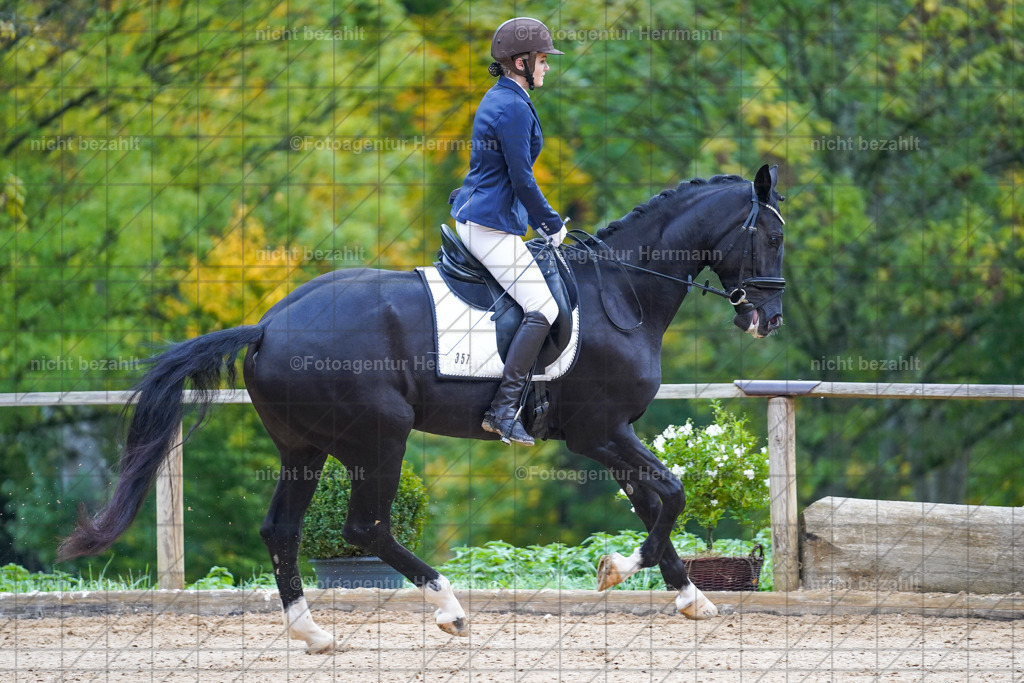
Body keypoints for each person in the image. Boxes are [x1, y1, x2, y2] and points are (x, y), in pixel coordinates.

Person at [449, 17, 567, 447]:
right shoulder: (513, 106)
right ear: (521, 63)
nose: (547, 67)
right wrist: (551, 223)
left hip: (487, 215)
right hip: (489, 225)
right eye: (542, 60)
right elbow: (521, 178)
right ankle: (502, 410)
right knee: (544, 308)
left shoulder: (504, 95)